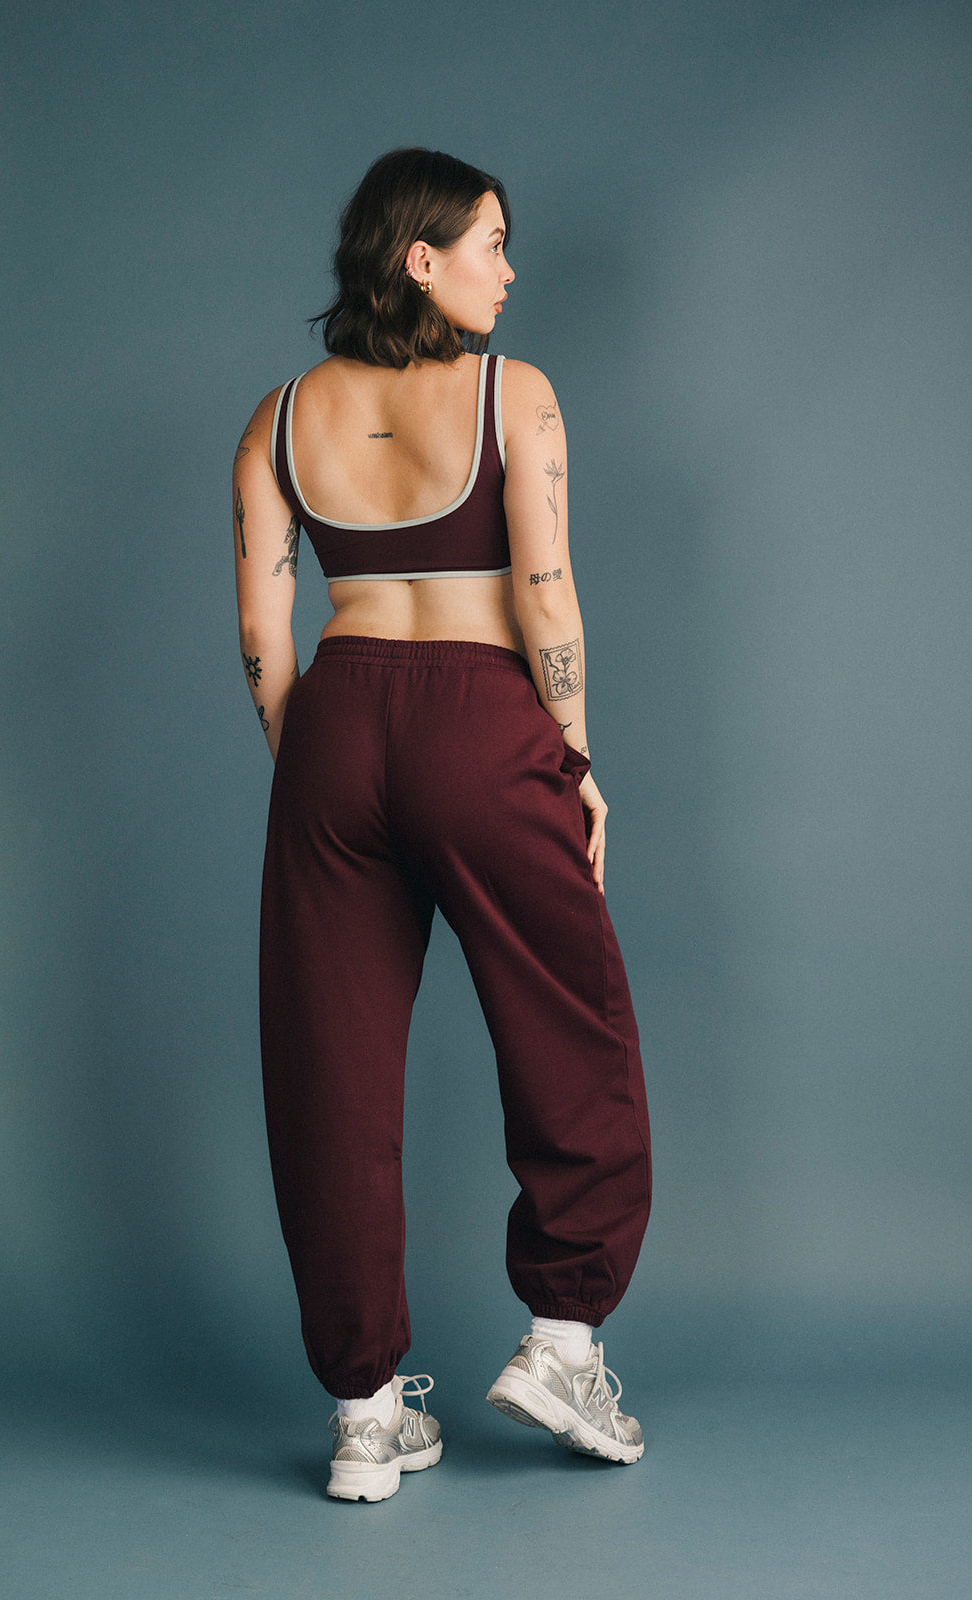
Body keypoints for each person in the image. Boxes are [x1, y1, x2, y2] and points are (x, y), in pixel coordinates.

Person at [233, 147, 651, 1503]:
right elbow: (546, 593)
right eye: (492, 243)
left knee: (331, 1067)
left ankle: (365, 1411)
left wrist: (321, 768)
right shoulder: (512, 394)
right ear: (423, 259)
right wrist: (571, 758)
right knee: (569, 1022)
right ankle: (563, 1341)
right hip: (481, 714)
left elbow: (263, 635)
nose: (509, 272)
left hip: (335, 718)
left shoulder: (278, 418)